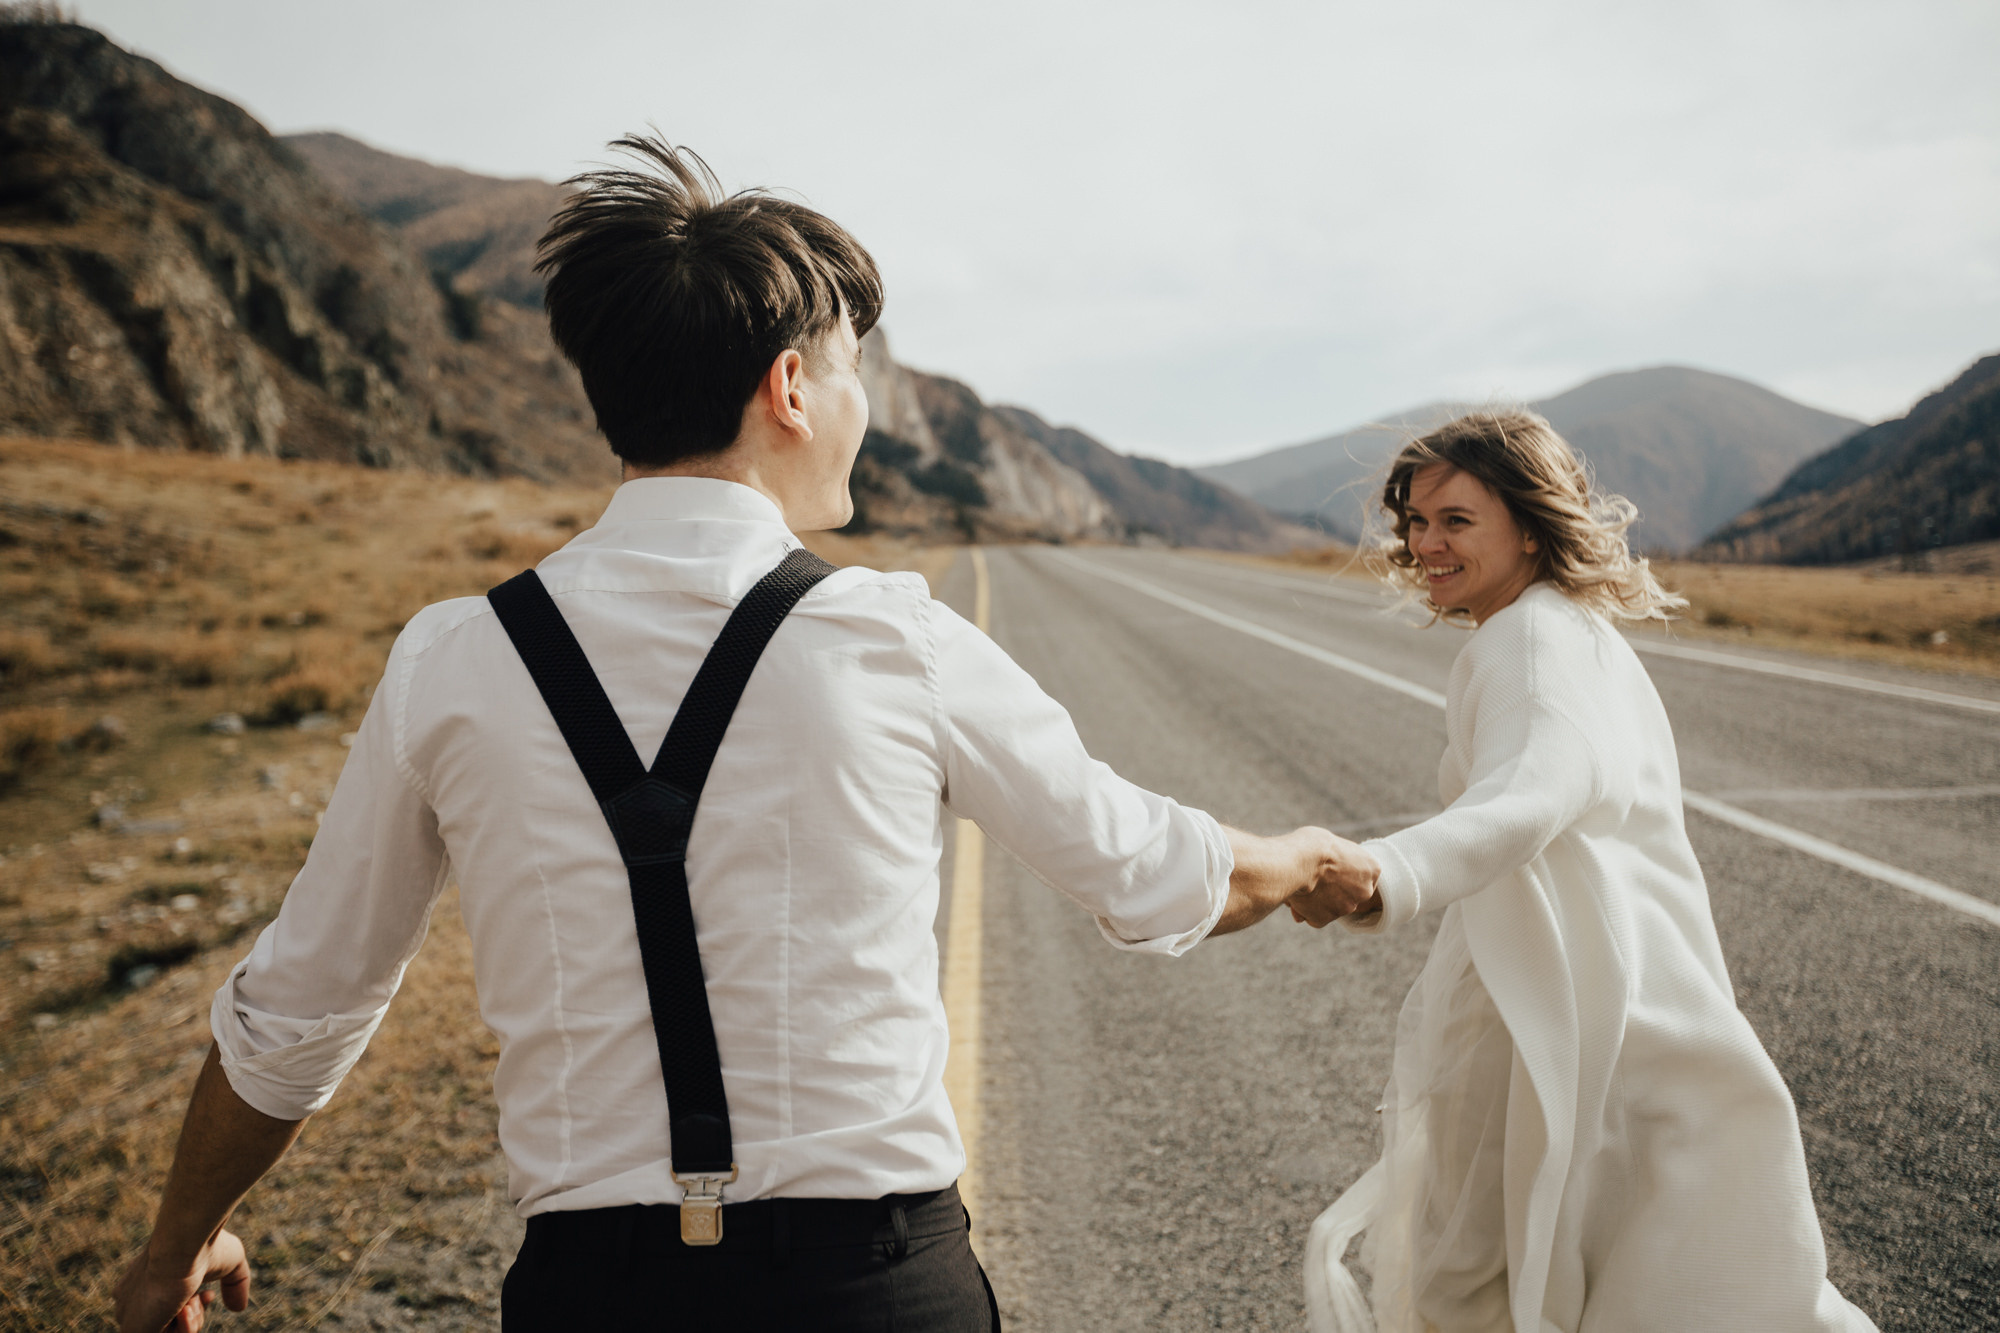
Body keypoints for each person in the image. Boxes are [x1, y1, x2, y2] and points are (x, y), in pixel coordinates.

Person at [110, 135, 1378, 1333]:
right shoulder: (895, 638)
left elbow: (302, 1009)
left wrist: (174, 1248)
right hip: (871, 1287)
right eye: (849, 374)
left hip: (590, 1296)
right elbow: (1149, 869)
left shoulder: (454, 655)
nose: (858, 412)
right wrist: (1304, 858)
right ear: (787, 388)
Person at [1295, 412, 1879, 1332]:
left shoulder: (1527, 641)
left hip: (1546, 1013)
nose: (1423, 543)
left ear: (1528, 522)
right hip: (1613, 989)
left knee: (1472, 1282)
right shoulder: (1567, 628)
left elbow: (1533, 794)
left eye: (1455, 519)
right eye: (1414, 520)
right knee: (1616, 1264)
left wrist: (1378, 871)